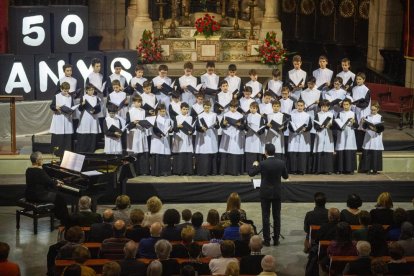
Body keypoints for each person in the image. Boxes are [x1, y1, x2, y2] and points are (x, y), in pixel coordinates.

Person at [248, 143, 289, 246]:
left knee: (265, 217)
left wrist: (254, 164)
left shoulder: (262, 163)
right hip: (277, 193)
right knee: (277, 217)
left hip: (265, 193)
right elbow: (285, 176)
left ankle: (267, 240)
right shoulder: (281, 163)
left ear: (265, 152)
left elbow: (251, 173)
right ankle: (276, 240)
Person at [25, 151, 69, 224]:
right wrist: (57, 183)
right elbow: (50, 182)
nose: (43, 160)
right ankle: (65, 220)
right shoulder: (39, 171)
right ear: (37, 161)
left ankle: (56, 215)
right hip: (38, 196)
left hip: (29, 195)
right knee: (61, 198)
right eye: (41, 159)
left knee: (55, 196)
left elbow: (45, 180)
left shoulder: (28, 170)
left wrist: (54, 182)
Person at [219, 99, 245, 175]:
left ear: (237, 107)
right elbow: (222, 126)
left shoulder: (240, 115)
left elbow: (243, 127)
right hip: (227, 135)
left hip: (236, 135)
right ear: (229, 107)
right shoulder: (226, 114)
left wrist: (240, 125)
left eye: (235, 107)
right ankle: (223, 171)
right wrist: (224, 124)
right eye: (232, 107)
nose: (233, 109)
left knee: (235, 152)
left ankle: (234, 171)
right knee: (225, 153)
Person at [126, 95, 150, 175]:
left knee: (143, 153)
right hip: (134, 133)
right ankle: (135, 171)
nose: (139, 104)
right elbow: (127, 125)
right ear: (133, 102)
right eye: (137, 102)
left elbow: (147, 122)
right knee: (134, 152)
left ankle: (143, 171)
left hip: (141, 133)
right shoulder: (130, 111)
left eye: (140, 102)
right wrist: (134, 123)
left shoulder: (143, 111)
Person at [49, 81, 74, 156]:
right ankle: (58, 152)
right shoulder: (56, 96)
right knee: (58, 137)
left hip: (67, 118)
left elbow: (72, 106)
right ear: (61, 89)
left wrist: (71, 110)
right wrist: (56, 108)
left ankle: (67, 152)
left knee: (67, 136)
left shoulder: (70, 97)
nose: (66, 92)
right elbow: (52, 106)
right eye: (64, 91)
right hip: (59, 118)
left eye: (67, 91)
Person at [195, 100, 219, 176]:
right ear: (203, 107)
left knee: (211, 153)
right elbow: (197, 127)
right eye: (205, 107)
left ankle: (212, 171)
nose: (207, 109)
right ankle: (202, 171)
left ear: (210, 107)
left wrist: (215, 124)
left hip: (212, 136)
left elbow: (218, 126)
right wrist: (201, 128)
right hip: (203, 136)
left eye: (208, 107)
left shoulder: (214, 115)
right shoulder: (200, 116)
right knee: (203, 154)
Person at [288, 100, 312, 174]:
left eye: (301, 105)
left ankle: (301, 170)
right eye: (298, 105)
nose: (300, 107)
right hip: (294, 136)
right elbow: (289, 126)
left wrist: (305, 129)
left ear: (304, 106)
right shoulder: (292, 115)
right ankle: (293, 170)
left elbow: (310, 126)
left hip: (303, 136)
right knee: (294, 154)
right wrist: (294, 130)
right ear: (296, 106)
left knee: (302, 154)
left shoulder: (307, 115)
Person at [334, 98, 358, 174]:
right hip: (342, 134)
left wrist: (354, 123)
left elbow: (356, 126)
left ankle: (350, 169)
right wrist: (339, 126)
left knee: (349, 149)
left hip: (350, 133)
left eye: (347, 104)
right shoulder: (340, 113)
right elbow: (336, 124)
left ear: (350, 105)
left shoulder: (353, 114)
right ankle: (340, 169)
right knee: (341, 149)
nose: (345, 106)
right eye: (344, 104)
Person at [360, 101, 384, 174]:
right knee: (367, 153)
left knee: (375, 153)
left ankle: (375, 169)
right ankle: (367, 169)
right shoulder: (367, 117)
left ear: (378, 109)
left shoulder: (380, 117)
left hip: (376, 137)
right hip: (368, 136)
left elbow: (382, 128)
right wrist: (363, 122)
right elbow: (364, 127)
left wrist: (375, 129)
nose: (372, 111)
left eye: (374, 110)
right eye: (371, 109)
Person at [76, 84, 101, 153]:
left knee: (92, 135)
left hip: (93, 118)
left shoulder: (96, 98)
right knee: (85, 135)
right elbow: (80, 109)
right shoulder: (84, 97)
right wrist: (82, 104)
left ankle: (91, 151)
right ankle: (83, 151)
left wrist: (95, 110)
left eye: (92, 90)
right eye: (89, 90)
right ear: (86, 90)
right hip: (85, 118)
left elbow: (99, 109)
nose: (91, 91)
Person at [312, 99, 334, 174]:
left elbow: (334, 126)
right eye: (322, 106)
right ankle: (318, 170)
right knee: (319, 150)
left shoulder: (331, 114)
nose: (324, 108)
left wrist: (330, 126)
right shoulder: (318, 114)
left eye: (325, 107)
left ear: (328, 107)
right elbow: (315, 125)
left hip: (328, 134)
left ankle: (328, 170)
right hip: (320, 134)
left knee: (328, 152)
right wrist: (320, 127)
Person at [150, 104, 173, 177]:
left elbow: (169, 129)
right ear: (159, 111)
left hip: (165, 139)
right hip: (157, 139)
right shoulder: (155, 119)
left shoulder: (168, 119)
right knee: (158, 155)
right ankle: (157, 172)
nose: (163, 112)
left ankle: (165, 172)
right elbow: (154, 129)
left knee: (165, 156)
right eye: (162, 111)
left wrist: (170, 129)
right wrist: (160, 135)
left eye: (164, 111)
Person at [172, 102, 194, 176]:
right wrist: (178, 126)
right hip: (180, 137)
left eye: (187, 109)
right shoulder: (177, 117)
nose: (185, 111)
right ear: (181, 109)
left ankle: (188, 171)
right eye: (184, 109)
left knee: (188, 154)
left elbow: (192, 128)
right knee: (180, 154)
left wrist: (191, 131)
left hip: (187, 137)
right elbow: (174, 129)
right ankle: (180, 171)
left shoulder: (190, 118)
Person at [351, 72, 371, 150]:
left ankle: (362, 148)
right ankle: (355, 147)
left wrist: (357, 104)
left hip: (363, 112)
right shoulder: (354, 88)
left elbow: (366, 103)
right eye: (357, 79)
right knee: (355, 128)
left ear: (364, 80)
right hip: (355, 111)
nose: (358, 81)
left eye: (360, 79)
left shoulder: (366, 90)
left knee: (362, 129)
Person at [244, 102, 266, 171]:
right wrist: (247, 128)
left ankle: (256, 169)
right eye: (251, 108)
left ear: (257, 109)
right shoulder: (247, 116)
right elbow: (245, 126)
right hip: (249, 137)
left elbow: (263, 128)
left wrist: (258, 131)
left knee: (256, 152)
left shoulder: (260, 117)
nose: (252, 109)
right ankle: (248, 169)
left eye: (254, 108)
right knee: (249, 153)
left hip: (257, 138)